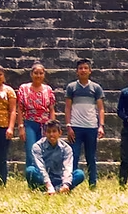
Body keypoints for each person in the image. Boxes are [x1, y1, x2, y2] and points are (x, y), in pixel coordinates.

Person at [64, 58, 104, 189]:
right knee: (73, 156)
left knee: (91, 157)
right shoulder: (71, 87)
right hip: (75, 127)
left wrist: (101, 126)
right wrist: (68, 125)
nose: (83, 70)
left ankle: (93, 184)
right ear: (77, 72)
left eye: (85, 68)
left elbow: (101, 108)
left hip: (91, 127)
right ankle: (71, 184)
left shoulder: (96, 88)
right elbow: (68, 107)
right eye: (80, 68)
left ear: (90, 71)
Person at [26, 120, 85, 194]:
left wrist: (66, 184)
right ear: (44, 133)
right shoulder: (37, 146)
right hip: (43, 179)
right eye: (48, 132)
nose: (51, 134)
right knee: (30, 171)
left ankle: (61, 189)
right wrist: (48, 185)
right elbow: (40, 167)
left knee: (79, 174)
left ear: (60, 133)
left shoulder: (66, 148)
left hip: (60, 179)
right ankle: (48, 190)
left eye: (54, 131)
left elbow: (67, 167)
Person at [17, 62, 55, 166]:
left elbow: (51, 109)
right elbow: (20, 109)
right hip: (30, 122)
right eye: (36, 73)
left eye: (41, 73)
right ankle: (31, 177)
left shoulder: (48, 90)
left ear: (44, 75)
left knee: (44, 151)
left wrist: (52, 126)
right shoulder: (24, 88)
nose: (38, 76)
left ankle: (43, 177)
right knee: (31, 151)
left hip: (45, 124)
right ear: (31, 74)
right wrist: (21, 127)